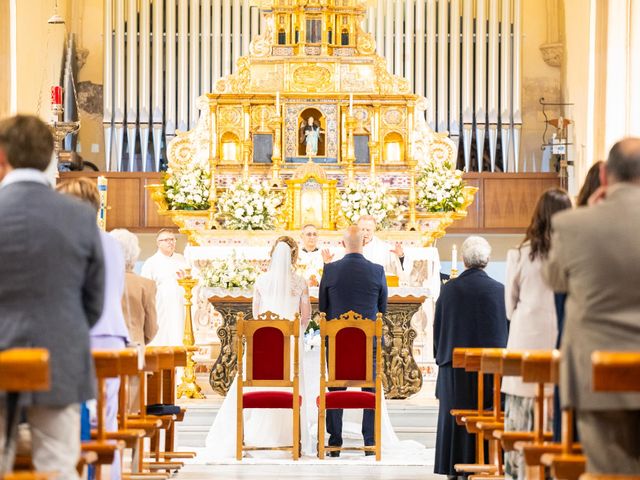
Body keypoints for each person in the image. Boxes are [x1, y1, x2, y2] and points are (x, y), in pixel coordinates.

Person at [0, 115, 105, 479]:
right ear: (49, 156)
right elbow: (94, 301)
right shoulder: (78, 217)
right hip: (60, 356)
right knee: (58, 467)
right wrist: (63, 328)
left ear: (1, 156)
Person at [543, 138, 640, 474]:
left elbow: (555, 279)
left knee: (608, 472)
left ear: (603, 174)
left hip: (596, 370)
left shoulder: (575, 225)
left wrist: (587, 212)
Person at [204, 236, 312, 458]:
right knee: (290, 383)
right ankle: (291, 439)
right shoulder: (301, 282)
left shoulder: (261, 281)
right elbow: (305, 317)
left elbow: (255, 315)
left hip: (263, 345)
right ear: (293, 256)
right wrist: (293, 331)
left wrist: (269, 332)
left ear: (272, 254)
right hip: (291, 344)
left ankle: (251, 434)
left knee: (257, 382)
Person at [56, 178, 130, 480]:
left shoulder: (68, 241)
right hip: (112, 334)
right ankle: (107, 475)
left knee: (70, 415)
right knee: (107, 417)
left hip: (80, 334)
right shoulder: (114, 244)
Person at [501, 188, 572, 479]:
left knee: (522, 407)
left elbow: (509, 305)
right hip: (562, 336)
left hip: (526, 337)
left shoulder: (520, 254)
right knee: (555, 405)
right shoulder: (572, 254)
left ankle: (520, 470)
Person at [433, 236, 508, 477]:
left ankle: (454, 468)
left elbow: (438, 329)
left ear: (464, 260)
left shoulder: (449, 290)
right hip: (492, 371)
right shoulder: (500, 291)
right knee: (488, 413)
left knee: (456, 417)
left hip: (454, 368)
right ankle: (490, 462)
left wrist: (440, 358)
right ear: (486, 260)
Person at [318, 226, 387, 456]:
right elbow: (382, 309)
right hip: (369, 342)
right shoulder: (377, 271)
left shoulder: (330, 270)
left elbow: (323, 308)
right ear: (364, 243)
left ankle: (335, 442)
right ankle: (370, 442)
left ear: (342, 243)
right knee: (370, 388)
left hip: (337, 342)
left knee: (336, 388)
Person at [141, 229, 188, 346]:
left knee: (179, 333)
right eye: (166, 240)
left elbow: (188, 279)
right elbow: (145, 288)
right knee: (162, 337)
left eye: (172, 239)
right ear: (158, 243)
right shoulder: (151, 263)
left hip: (180, 305)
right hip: (160, 307)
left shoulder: (181, 259)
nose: (170, 242)